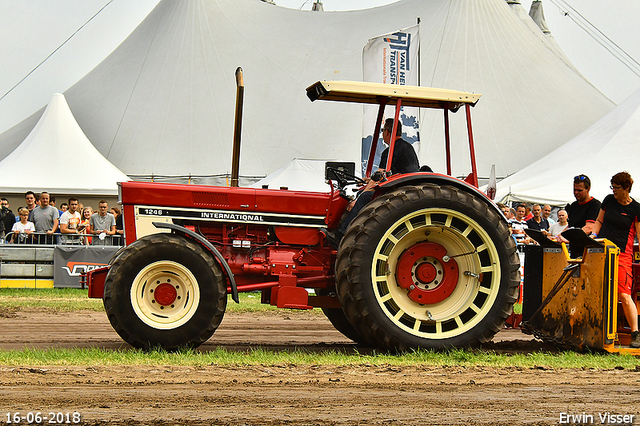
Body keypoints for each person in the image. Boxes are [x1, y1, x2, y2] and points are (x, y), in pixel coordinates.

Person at [323, 118, 419, 247]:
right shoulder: (407, 147)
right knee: (364, 193)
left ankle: (341, 234)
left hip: (399, 191)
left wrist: (358, 198)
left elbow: (379, 175)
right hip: (406, 188)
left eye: (383, 131)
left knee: (364, 197)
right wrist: (367, 181)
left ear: (387, 132)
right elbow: (392, 173)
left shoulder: (390, 150)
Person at [590, 172, 640, 348]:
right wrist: (594, 235)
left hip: (622, 255)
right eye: (612, 187)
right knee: (597, 290)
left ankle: (635, 333)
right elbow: (598, 220)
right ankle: (595, 329)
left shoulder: (636, 209)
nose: (614, 191)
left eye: (617, 188)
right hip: (602, 250)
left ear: (627, 188)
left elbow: (639, 237)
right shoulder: (609, 200)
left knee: (624, 295)